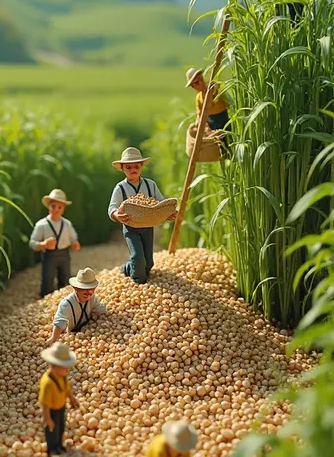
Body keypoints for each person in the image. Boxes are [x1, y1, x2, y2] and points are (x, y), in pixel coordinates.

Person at [108, 147, 177, 285]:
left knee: (148, 262)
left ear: (141, 167)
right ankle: (138, 282)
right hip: (130, 226)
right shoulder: (120, 188)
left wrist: (167, 213)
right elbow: (112, 207)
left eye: (136, 166)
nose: (133, 169)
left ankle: (128, 268)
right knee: (138, 257)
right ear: (122, 168)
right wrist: (117, 215)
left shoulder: (150, 185)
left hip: (147, 226)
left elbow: (160, 202)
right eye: (128, 167)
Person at [29, 188, 80, 298]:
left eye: (59, 207)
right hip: (49, 255)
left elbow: (73, 237)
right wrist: (43, 244)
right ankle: (46, 298)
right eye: (53, 206)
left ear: (63, 209)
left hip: (64, 254)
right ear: (48, 206)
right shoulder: (42, 225)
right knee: (47, 278)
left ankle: (63, 299)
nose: (56, 209)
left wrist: (74, 243)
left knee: (65, 278)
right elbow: (32, 243)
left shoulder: (67, 224)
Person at [38, 341, 79, 457]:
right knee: (52, 430)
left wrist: (72, 399)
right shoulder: (47, 383)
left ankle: (59, 446)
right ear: (55, 367)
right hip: (51, 411)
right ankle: (52, 449)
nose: (68, 370)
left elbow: (66, 389)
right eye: (65, 367)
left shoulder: (63, 377)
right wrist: (47, 419)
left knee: (60, 428)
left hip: (61, 407)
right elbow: (45, 404)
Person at [47, 267, 107, 344]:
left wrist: (102, 320)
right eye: (84, 289)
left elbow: (98, 309)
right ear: (76, 288)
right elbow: (60, 322)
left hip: (89, 331)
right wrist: (53, 338)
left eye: (91, 288)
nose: (88, 292)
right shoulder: (66, 304)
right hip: (73, 335)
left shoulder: (93, 298)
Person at [185, 68, 230, 133]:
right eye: (192, 86)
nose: (195, 87)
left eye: (196, 83)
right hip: (211, 122)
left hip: (223, 118)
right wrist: (198, 122)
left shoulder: (213, 88)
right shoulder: (198, 98)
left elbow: (222, 95)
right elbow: (199, 113)